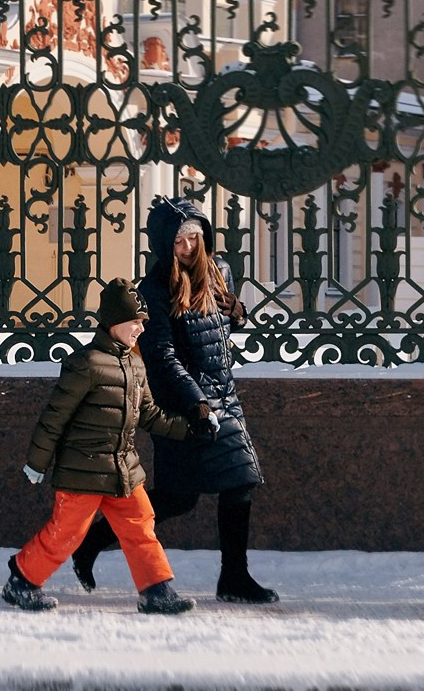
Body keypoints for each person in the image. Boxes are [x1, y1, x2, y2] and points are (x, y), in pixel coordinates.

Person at [69, 195, 277, 604]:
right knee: (178, 497)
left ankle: (234, 577)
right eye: (180, 241)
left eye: (194, 239)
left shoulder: (218, 272)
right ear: (165, 244)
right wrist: (196, 401)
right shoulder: (154, 288)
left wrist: (237, 314)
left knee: (241, 482)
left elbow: (215, 336)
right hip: (182, 399)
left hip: (222, 393)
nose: (187, 248)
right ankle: (90, 542)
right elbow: (161, 352)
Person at [0, 278, 206, 614]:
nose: (140, 328)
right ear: (113, 322)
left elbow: (149, 415)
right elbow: (55, 416)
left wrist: (189, 429)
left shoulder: (136, 365)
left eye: (142, 322)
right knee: (67, 532)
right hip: (82, 472)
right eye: (134, 322)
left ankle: (156, 590)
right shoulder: (87, 363)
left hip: (123, 469)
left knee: (141, 524)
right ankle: (21, 581)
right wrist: (37, 463)